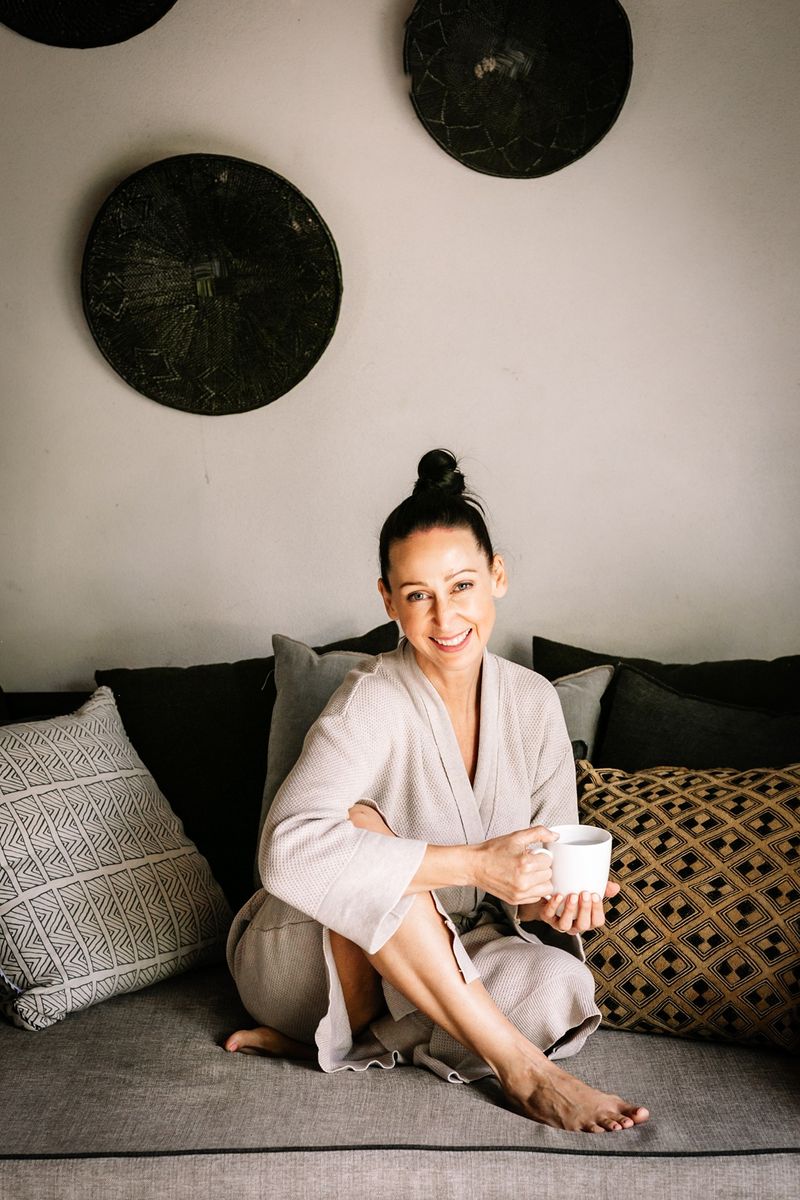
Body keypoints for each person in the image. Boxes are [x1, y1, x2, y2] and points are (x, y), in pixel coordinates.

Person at [225, 449, 649, 1133]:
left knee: (561, 987)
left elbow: (531, 882)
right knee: (360, 830)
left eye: (462, 586)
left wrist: (557, 901)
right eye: (418, 594)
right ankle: (526, 1072)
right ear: (389, 600)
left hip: (449, 951)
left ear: (497, 576)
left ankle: (349, 1043)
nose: (445, 617)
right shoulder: (370, 698)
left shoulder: (534, 703)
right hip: (314, 955)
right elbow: (286, 852)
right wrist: (475, 864)